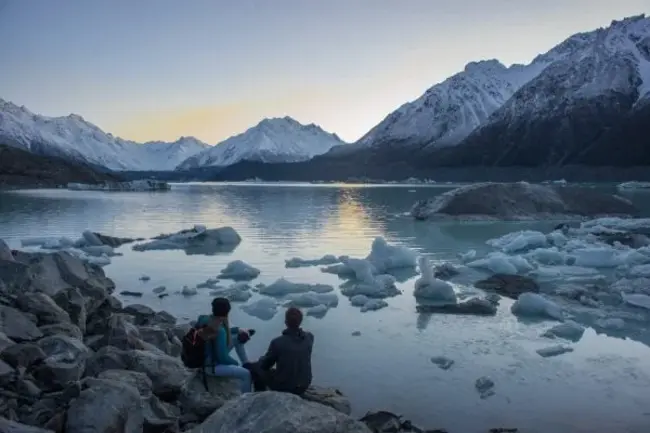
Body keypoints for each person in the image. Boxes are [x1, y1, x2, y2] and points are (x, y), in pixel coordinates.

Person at [195, 297, 253, 393]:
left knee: (237, 337)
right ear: (228, 311)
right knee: (246, 374)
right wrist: (236, 365)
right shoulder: (220, 331)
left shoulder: (203, 318)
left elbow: (213, 332)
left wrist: (236, 330)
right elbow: (222, 358)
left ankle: (245, 362)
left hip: (202, 359)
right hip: (211, 367)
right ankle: (246, 399)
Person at [250, 307, 314, 395]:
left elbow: (265, 365)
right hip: (304, 384)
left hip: (285, 387)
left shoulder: (278, 342)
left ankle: (260, 396)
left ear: (286, 322)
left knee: (255, 368)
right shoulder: (309, 338)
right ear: (300, 321)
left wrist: (260, 360)